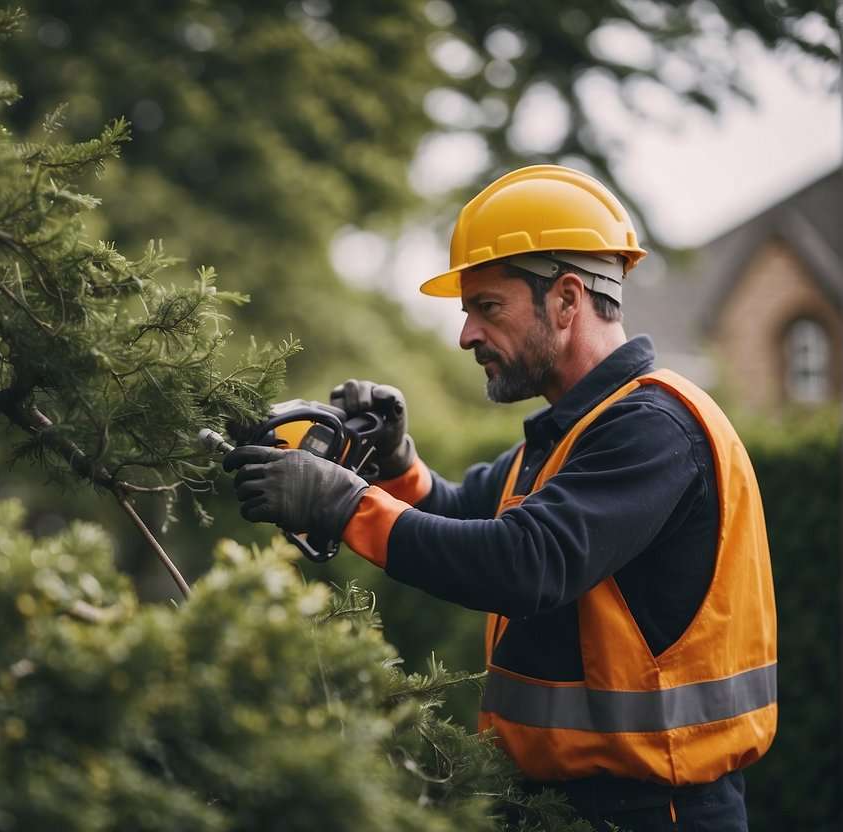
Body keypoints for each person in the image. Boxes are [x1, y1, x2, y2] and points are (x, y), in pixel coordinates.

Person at [223, 165, 777, 832]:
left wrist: (341, 504)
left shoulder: (652, 429)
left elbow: (523, 562)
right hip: (563, 805)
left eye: (486, 308)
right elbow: (461, 515)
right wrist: (397, 467)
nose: (466, 337)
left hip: (655, 812)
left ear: (566, 300)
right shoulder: (573, 430)